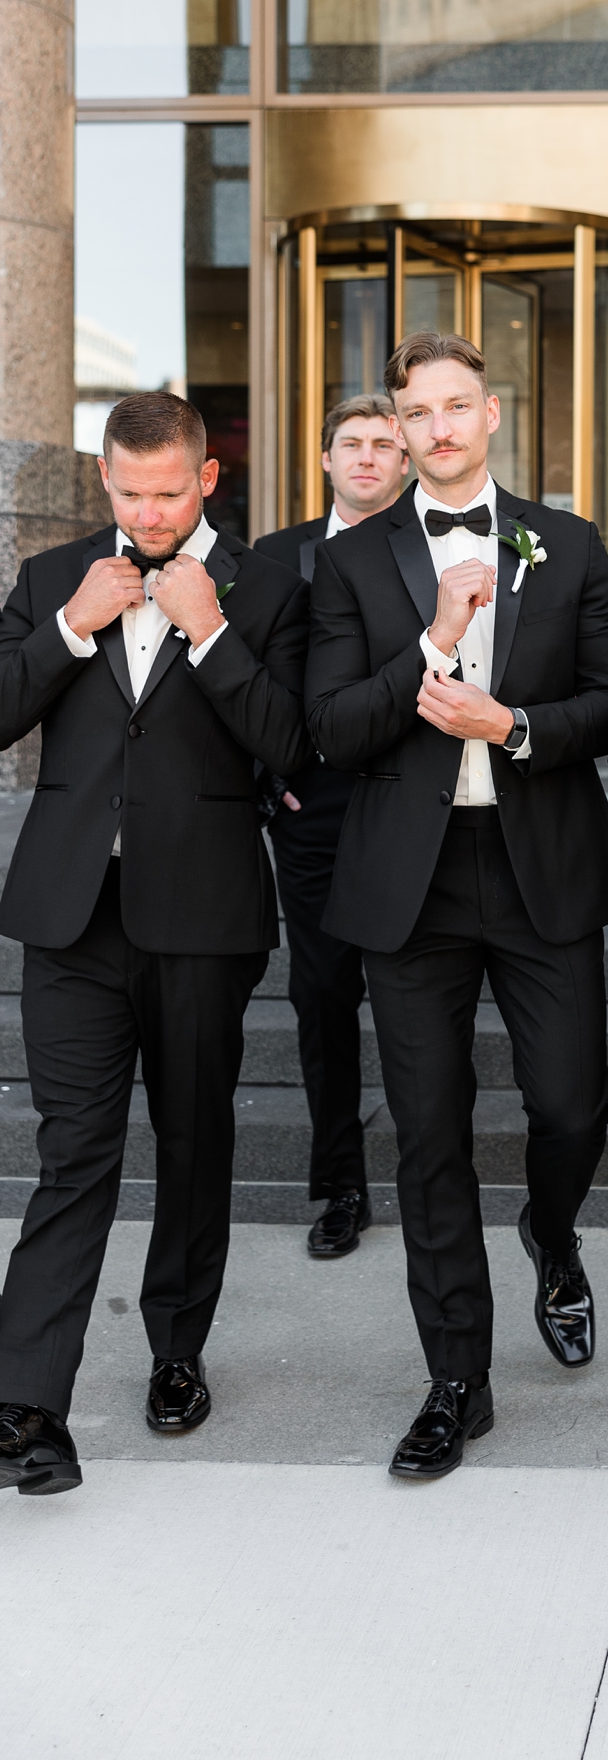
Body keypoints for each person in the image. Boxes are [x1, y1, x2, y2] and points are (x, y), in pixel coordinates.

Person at [305, 331, 608, 1483]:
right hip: (412, 878)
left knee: (573, 1103)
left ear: (491, 414)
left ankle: (551, 1230)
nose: (439, 429)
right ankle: (457, 1380)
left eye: (459, 406)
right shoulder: (352, 563)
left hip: (541, 857)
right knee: (429, 1135)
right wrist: (433, 643)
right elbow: (334, 728)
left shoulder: (573, 541)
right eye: (419, 412)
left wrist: (519, 729)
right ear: (395, 429)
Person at [0, 392, 310, 1498]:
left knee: (193, 1141)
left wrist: (210, 632)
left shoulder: (270, 588)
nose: (149, 511)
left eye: (168, 491)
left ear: (208, 478)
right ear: (105, 482)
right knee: (73, 1152)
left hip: (202, 913)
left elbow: (294, 750)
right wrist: (72, 627)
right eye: (129, 493)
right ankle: (29, 1402)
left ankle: (176, 1351)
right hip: (71, 916)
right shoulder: (53, 581)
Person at [254, 394, 409, 1259]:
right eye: (350, 444)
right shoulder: (275, 560)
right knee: (322, 998)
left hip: (406, 807)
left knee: (413, 997)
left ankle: (429, 1174)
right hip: (310, 813)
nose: (366, 458)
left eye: (384, 445)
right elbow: (245, 684)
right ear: (324, 459)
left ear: (406, 459)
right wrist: (270, 786)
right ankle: (342, 1184)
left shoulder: (433, 551)